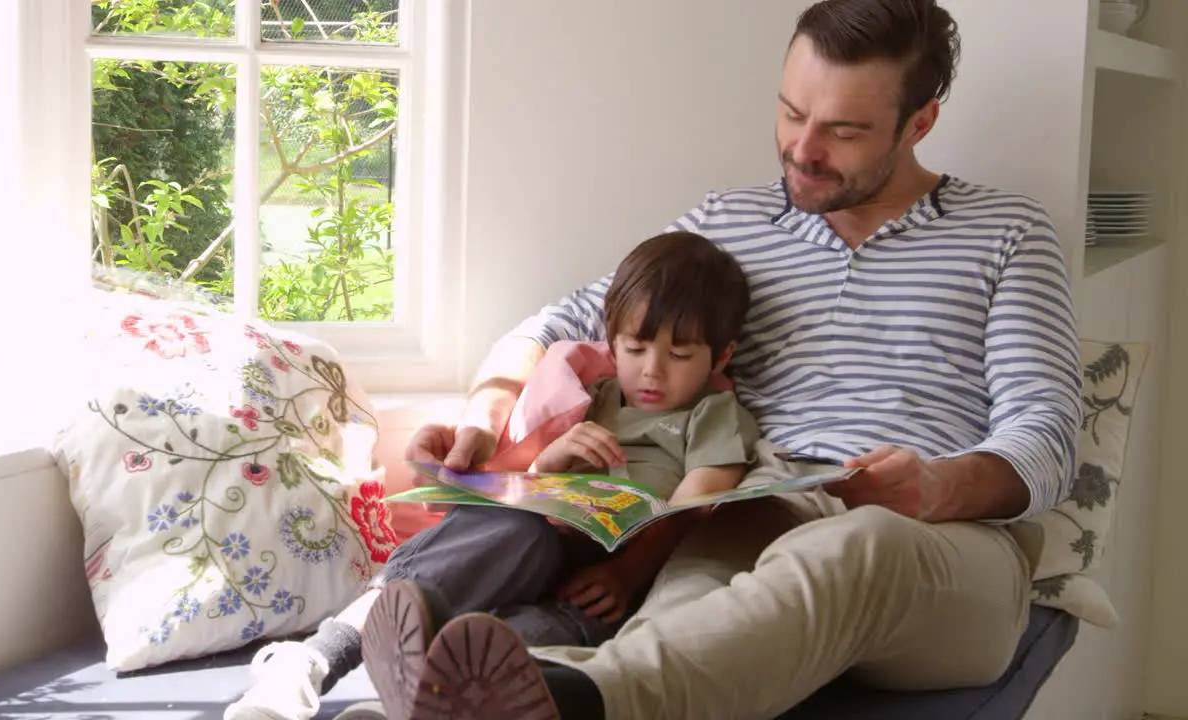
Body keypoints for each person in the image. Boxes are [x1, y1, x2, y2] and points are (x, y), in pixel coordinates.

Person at [358, 0, 1084, 718]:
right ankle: (488, 697)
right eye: (792, 112)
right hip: (750, 511)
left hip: (935, 546)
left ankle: (575, 697)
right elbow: (559, 322)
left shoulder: (1007, 233)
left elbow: (1047, 429)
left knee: (858, 546)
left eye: (843, 131)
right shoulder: (727, 225)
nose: (803, 148)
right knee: (673, 620)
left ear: (919, 122)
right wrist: (484, 420)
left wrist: (937, 486)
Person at [225, 230, 760, 720]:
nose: (651, 371)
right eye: (635, 349)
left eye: (680, 354)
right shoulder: (595, 396)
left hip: (603, 576)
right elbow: (529, 483)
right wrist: (552, 463)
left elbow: (695, 509)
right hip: (531, 543)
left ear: (721, 357)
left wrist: (627, 574)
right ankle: (310, 663)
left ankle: (401, 708)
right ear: (612, 339)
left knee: (517, 645)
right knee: (511, 534)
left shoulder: (713, 413)